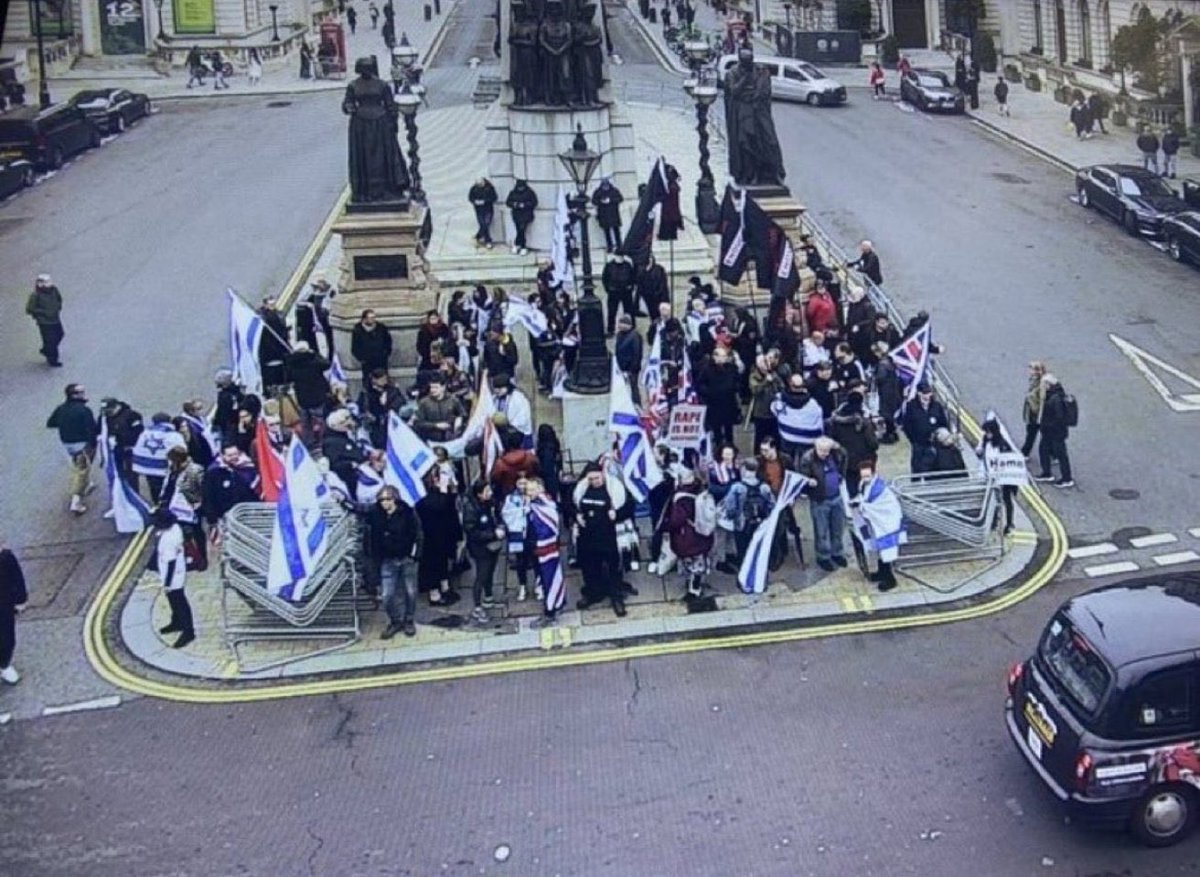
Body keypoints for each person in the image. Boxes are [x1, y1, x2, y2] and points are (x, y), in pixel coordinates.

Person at [573, 463, 630, 618]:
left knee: (614, 569)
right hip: (588, 536)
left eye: (597, 478)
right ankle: (593, 594)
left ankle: (616, 598)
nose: (594, 482)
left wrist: (617, 514)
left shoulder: (615, 488)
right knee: (590, 568)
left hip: (609, 536)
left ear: (603, 474)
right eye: (591, 479)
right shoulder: (581, 488)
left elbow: (629, 507)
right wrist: (576, 515)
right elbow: (571, 506)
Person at [365, 485, 421, 637]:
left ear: (395, 499)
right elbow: (360, 509)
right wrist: (344, 500)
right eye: (382, 500)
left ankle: (409, 620)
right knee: (387, 595)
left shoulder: (407, 513)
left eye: (388, 499)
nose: (385, 503)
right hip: (388, 560)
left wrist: (415, 554)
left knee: (411, 592)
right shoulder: (376, 514)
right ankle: (395, 620)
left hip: (406, 558)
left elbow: (417, 533)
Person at [847, 461, 905, 592]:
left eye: (868, 476)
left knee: (886, 551)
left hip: (885, 524)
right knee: (878, 549)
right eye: (863, 476)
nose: (865, 478)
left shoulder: (878, 488)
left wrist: (859, 505)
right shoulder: (865, 484)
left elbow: (874, 505)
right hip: (876, 523)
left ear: (873, 473)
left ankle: (890, 579)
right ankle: (881, 573)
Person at [798, 437, 849, 572]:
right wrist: (809, 482)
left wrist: (837, 447)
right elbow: (802, 478)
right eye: (821, 450)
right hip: (820, 500)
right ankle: (823, 557)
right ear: (816, 447)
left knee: (838, 528)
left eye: (827, 450)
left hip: (836, 497)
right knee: (821, 531)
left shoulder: (834, 454)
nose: (824, 453)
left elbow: (844, 456)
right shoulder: (808, 459)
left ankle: (837, 553)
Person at [46, 383, 98, 515]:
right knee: (81, 471)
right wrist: (93, 445)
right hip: (82, 445)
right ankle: (76, 501)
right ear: (74, 394)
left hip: (67, 444)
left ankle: (87, 484)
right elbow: (92, 430)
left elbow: (51, 423)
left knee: (78, 465)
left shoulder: (61, 409)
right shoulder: (84, 410)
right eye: (81, 392)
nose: (84, 393)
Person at [666, 469, 714, 599]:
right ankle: (696, 585)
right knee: (699, 561)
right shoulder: (701, 489)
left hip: (687, 536)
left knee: (690, 562)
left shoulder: (681, 497)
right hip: (703, 532)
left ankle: (693, 590)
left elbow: (676, 520)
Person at [151, 508, 195, 648]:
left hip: (173, 577)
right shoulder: (175, 528)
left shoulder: (168, 539)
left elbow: (170, 563)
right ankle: (176, 622)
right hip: (176, 572)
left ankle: (188, 631)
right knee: (174, 601)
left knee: (179, 602)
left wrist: (167, 583)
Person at [461, 480, 503, 625]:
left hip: (493, 545)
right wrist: (493, 534)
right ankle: (477, 606)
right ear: (479, 494)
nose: (490, 493)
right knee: (481, 575)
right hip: (480, 548)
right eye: (487, 491)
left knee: (490, 572)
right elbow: (472, 532)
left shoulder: (491, 503)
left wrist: (501, 527)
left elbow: (498, 517)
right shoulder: (471, 508)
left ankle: (489, 598)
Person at [525, 477, 564, 627]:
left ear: (541, 489)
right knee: (544, 578)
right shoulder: (533, 504)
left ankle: (550, 612)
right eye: (528, 490)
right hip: (537, 549)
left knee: (550, 579)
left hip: (546, 549)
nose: (530, 492)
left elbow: (547, 530)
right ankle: (554, 605)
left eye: (533, 489)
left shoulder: (545, 506)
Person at [977, 414, 1019, 534]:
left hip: (1003, 479)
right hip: (990, 477)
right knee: (992, 500)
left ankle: (1009, 523)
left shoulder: (1003, 444)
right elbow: (983, 455)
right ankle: (994, 522)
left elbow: (1008, 461)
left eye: (989, 432)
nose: (987, 434)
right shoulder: (986, 441)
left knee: (1006, 500)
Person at [131, 412, 186, 503]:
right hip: (164, 470)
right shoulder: (172, 435)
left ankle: (157, 505)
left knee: (154, 490)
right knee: (167, 490)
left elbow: (138, 448)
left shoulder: (145, 433)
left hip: (148, 468)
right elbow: (181, 451)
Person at [900, 382, 949, 475]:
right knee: (918, 468)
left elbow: (944, 423)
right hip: (919, 445)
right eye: (924, 393)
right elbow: (907, 425)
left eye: (928, 393)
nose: (927, 396)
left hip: (935, 445)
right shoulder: (911, 406)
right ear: (918, 393)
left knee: (935, 468)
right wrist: (914, 440)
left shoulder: (936, 406)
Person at [1034, 374, 1074, 488]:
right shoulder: (1054, 395)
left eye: (1043, 385)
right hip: (1049, 432)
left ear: (1048, 385)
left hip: (1055, 433)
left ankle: (1067, 478)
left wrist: (1047, 425)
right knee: (1043, 450)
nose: (1041, 387)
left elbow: (1059, 417)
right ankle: (1046, 473)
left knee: (1061, 455)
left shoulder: (1055, 398)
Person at [772, 374, 824, 461]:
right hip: (807, 440)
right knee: (805, 464)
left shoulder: (780, 400)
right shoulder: (812, 404)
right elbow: (819, 417)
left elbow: (774, 409)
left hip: (787, 437)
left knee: (787, 462)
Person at [697, 345, 741, 445]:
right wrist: (710, 392)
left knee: (729, 428)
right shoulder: (707, 369)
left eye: (725, 356)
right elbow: (700, 385)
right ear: (715, 357)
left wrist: (734, 388)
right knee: (717, 429)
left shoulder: (731, 368)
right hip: (714, 404)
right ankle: (719, 447)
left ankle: (730, 446)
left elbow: (737, 381)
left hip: (729, 403)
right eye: (722, 356)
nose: (725, 358)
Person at [0, 541, 28, 685]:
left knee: (6, 639)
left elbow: (17, 579)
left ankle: (4, 665)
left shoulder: (5, 558)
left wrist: (21, 599)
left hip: (3, 605)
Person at [26, 274, 64, 367]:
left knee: (60, 334)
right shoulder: (36, 295)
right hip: (45, 322)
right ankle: (53, 360)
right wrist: (43, 313)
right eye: (45, 282)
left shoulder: (54, 290)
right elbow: (30, 309)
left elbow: (59, 299)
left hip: (55, 319)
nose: (48, 284)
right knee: (50, 340)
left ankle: (47, 350)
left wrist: (57, 308)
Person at [351, 309, 393, 382]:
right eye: (370, 318)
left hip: (381, 361)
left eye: (374, 317)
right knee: (368, 380)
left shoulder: (381, 328)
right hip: (367, 363)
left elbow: (388, 341)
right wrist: (362, 359)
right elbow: (355, 347)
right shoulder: (358, 330)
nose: (373, 320)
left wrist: (385, 354)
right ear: (364, 319)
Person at [491, 374, 533, 446]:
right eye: (496, 388)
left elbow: (523, 418)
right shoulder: (494, 398)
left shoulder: (518, 398)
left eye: (500, 388)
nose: (497, 391)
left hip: (516, 431)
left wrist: (507, 422)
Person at [602, 254, 637, 334]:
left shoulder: (627, 265)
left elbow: (632, 277)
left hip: (626, 292)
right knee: (612, 312)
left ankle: (631, 327)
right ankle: (611, 329)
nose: (620, 258)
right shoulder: (609, 266)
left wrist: (630, 287)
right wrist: (608, 289)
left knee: (629, 311)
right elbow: (605, 278)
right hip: (614, 292)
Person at [614, 315, 644, 404]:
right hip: (622, 367)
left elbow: (637, 354)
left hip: (631, 369)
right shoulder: (619, 335)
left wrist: (632, 368)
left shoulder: (635, 336)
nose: (619, 326)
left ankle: (637, 404)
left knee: (634, 387)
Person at [1019, 360, 1046, 457]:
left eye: (1031, 369)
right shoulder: (1033, 380)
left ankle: (1025, 453)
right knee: (1033, 433)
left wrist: (1037, 412)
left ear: (1037, 371)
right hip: (1031, 413)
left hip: (1037, 414)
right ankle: (1053, 454)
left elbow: (1041, 400)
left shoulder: (1042, 385)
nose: (1029, 371)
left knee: (1032, 434)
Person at [591, 178, 624, 252]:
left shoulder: (614, 190)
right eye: (604, 185)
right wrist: (601, 201)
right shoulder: (598, 192)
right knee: (607, 233)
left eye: (606, 185)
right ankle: (610, 247)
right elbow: (593, 201)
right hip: (604, 215)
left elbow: (620, 198)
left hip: (613, 214)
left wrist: (610, 200)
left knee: (616, 232)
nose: (605, 187)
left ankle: (619, 246)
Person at [505, 180, 538, 255]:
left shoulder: (529, 192)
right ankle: (520, 245)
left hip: (526, 214)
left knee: (522, 230)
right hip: (516, 214)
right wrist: (515, 204)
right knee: (519, 230)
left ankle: (521, 245)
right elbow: (508, 202)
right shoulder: (513, 192)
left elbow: (534, 202)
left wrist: (525, 205)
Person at [468, 178, 498, 248]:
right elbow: (470, 198)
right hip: (479, 209)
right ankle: (488, 240)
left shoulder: (490, 188)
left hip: (488, 209)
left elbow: (494, 198)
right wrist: (475, 201)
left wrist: (485, 201)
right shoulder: (474, 189)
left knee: (486, 224)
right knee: (483, 224)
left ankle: (478, 236)